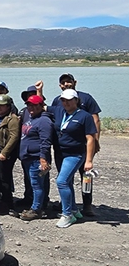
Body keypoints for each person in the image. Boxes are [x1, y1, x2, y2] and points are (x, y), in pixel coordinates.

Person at [45, 88, 97, 228]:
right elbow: (42, 106)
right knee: (67, 182)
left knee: (61, 181)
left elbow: (90, 138)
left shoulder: (85, 116)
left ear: (76, 100)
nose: (66, 103)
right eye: (63, 100)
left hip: (75, 154)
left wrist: (89, 160)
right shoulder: (59, 110)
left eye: (69, 100)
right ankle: (74, 209)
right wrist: (40, 90)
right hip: (60, 153)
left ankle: (67, 214)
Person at [50, 73, 101, 216]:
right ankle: (70, 205)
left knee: (86, 176)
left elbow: (95, 120)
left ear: (74, 82)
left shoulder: (86, 98)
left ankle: (87, 204)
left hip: (81, 147)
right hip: (62, 149)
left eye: (68, 81)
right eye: (63, 82)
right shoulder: (57, 102)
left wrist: (96, 141)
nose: (66, 84)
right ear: (60, 85)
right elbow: (50, 113)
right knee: (66, 178)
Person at [19, 95, 54, 221]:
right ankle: (42, 204)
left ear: (41, 105)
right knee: (38, 184)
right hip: (28, 158)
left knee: (37, 185)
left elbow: (45, 142)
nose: (31, 108)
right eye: (29, 105)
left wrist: (43, 158)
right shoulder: (32, 118)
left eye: (34, 105)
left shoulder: (44, 121)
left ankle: (36, 209)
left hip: (36, 159)